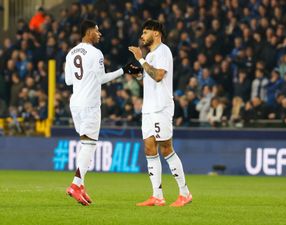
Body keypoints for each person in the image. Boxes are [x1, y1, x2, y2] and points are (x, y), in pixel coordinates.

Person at [65, 20, 141, 206]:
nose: (99, 34)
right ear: (89, 32)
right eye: (97, 31)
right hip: (90, 103)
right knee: (89, 145)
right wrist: (123, 70)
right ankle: (75, 185)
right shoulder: (96, 53)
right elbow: (100, 79)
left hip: (75, 103)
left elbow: (68, 81)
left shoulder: (71, 53)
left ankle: (81, 185)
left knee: (85, 143)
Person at [129, 19, 192, 207]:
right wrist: (139, 74)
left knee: (166, 148)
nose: (142, 35)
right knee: (149, 148)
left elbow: (158, 76)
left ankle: (184, 193)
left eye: (145, 32)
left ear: (156, 33)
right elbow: (149, 78)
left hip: (161, 108)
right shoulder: (150, 56)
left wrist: (140, 59)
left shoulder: (163, 51)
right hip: (148, 109)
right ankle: (157, 195)